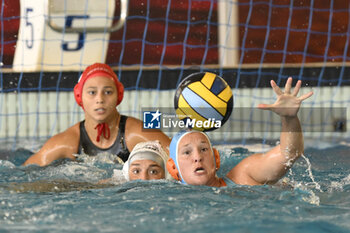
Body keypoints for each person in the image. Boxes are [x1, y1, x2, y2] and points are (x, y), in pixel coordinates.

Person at [167, 77, 313, 187]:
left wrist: (289, 118)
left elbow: (288, 154)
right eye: (187, 152)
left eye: (204, 149)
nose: (197, 157)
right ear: (173, 168)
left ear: (216, 158)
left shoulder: (244, 174)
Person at [23, 63, 170, 166]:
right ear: (79, 96)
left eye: (108, 92)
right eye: (92, 92)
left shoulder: (136, 133)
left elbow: (182, 159)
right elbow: (24, 174)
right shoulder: (67, 142)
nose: (100, 99)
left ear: (118, 95)